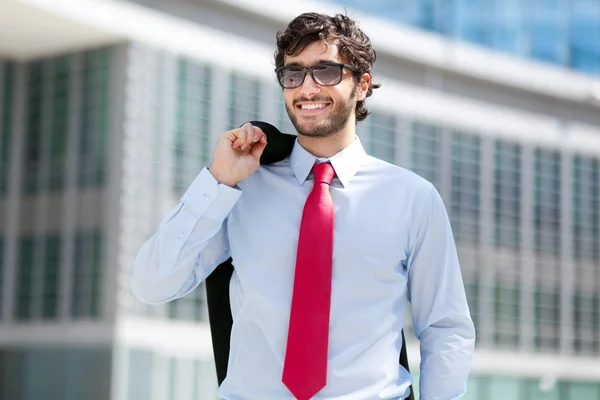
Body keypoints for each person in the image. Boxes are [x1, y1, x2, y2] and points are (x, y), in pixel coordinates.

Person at [131, 12, 476, 400]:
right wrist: (216, 180)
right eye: (293, 74)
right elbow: (151, 285)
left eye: (326, 71)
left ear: (362, 85)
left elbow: (445, 328)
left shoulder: (412, 198)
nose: (307, 88)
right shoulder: (241, 188)